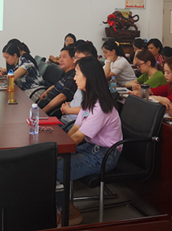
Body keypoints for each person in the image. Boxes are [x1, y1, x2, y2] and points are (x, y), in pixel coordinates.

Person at [57, 56, 123, 226]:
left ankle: (70, 213)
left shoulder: (100, 107)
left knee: (53, 170)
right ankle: (62, 210)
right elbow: (75, 129)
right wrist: (57, 149)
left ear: (89, 76)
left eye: (77, 73)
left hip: (105, 155)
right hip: (91, 148)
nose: (74, 77)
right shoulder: (90, 100)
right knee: (48, 163)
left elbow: (77, 138)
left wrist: (54, 151)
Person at [60, 42, 97, 125]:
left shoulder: (92, 83)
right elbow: (78, 101)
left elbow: (89, 109)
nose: (74, 61)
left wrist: (68, 110)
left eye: (77, 58)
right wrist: (68, 105)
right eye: (74, 58)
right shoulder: (81, 82)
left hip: (73, 123)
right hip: (68, 120)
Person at [38, 45, 77, 117]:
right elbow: (56, 85)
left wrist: (43, 112)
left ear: (73, 59)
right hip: (44, 103)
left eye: (64, 57)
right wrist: (46, 92)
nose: (60, 60)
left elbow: (62, 96)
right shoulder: (66, 73)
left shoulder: (73, 77)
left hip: (51, 113)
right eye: (60, 57)